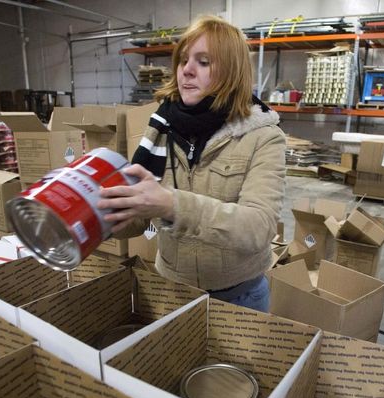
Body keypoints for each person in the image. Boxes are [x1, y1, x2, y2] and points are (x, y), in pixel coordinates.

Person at [98, 15, 285, 312]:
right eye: (184, 60)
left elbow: (258, 228)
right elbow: (137, 220)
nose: (186, 70)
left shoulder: (263, 136)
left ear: (232, 72)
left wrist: (172, 205)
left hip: (239, 298)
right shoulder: (163, 126)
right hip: (172, 291)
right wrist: (104, 213)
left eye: (203, 61)